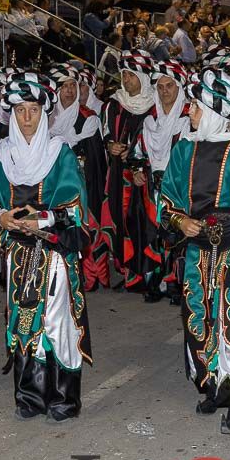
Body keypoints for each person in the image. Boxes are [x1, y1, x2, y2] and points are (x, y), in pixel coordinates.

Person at [158, 66, 230, 434]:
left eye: (195, 105)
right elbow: (167, 199)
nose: (189, 110)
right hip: (197, 251)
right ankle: (214, 386)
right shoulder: (182, 151)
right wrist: (180, 222)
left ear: (211, 110)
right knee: (200, 318)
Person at [0, 71, 92, 422]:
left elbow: (75, 207)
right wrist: (1, 218)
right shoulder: (1, 156)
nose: (26, 118)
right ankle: (29, 396)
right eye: (20, 111)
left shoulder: (60, 155)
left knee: (57, 324)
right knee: (22, 321)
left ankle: (62, 398)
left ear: (45, 114)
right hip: (17, 255)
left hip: (53, 255)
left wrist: (42, 220)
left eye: (33, 110)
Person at [47, 63, 109, 290]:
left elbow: (96, 159)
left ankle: (92, 276)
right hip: (54, 187)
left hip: (83, 185)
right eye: (64, 86)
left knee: (87, 226)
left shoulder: (88, 117)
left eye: (73, 85)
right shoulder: (45, 118)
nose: (70, 91)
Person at [100, 52, 156, 291]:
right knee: (120, 220)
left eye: (132, 75)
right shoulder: (113, 103)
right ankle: (129, 272)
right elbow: (105, 132)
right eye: (124, 75)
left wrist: (137, 157)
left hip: (142, 175)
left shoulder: (153, 105)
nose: (127, 80)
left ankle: (148, 274)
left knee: (142, 221)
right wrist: (110, 145)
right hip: (118, 174)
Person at [139, 59, 190, 303]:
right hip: (153, 186)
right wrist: (138, 169)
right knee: (154, 233)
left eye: (169, 86)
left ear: (179, 87)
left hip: (178, 187)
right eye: (160, 87)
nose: (165, 91)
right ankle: (156, 283)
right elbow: (137, 152)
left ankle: (176, 285)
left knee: (177, 235)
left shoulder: (189, 116)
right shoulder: (150, 117)